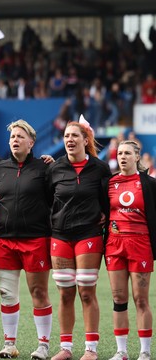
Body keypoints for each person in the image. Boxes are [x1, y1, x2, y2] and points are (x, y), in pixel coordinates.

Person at [46, 116, 111, 360]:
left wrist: (104, 213)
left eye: (75, 135)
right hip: (60, 236)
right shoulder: (54, 169)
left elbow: (107, 201)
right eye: (66, 136)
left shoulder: (100, 168)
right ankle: (66, 348)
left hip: (88, 234)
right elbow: (45, 200)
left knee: (86, 291)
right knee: (64, 293)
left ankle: (91, 350)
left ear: (86, 140)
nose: (70, 140)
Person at [0, 120, 52, 360]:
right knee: (6, 293)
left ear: (31, 142)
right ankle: (9, 345)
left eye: (20, 136)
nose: (15, 139)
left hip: (36, 239)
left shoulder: (45, 169)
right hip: (4, 240)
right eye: (12, 136)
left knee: (38, 292)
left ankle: (43, 346)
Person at [102, 140, 156, 360]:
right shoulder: (108, 183)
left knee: (140, 299)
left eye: (127, 153)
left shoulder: (149, 184)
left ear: (137, 157)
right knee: (118, 298)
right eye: (120, 153)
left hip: (141, 244)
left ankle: (144, 351)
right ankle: (121, 351)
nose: (123, 157)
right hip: (114, 245)